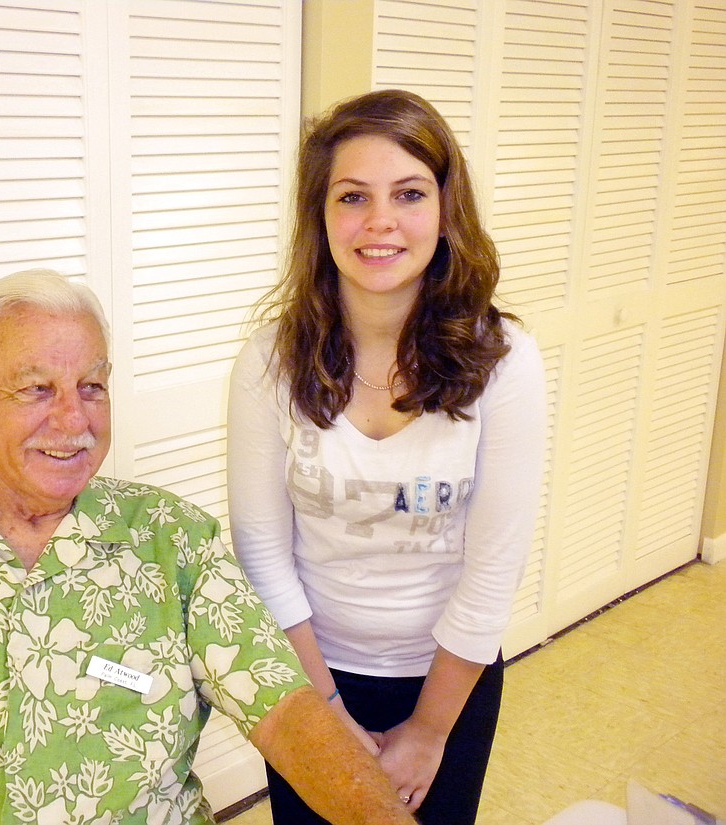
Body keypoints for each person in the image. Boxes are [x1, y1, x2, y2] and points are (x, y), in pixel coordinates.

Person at [0, 269, 415, 825]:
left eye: (92, 386)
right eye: (36, 388)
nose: (73, 420)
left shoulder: (173, 541)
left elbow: (286, 711)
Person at [226, 90, 547, 825]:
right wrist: (326, 713)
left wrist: (429, 731)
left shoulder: (505, 361)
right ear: (320, 216)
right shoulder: (269, 361)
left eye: (409, 193)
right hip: (305, 676)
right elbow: (262, 554)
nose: (380, 222)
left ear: (446, 210)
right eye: (352, 196)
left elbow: (494, 567)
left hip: (449, 682)